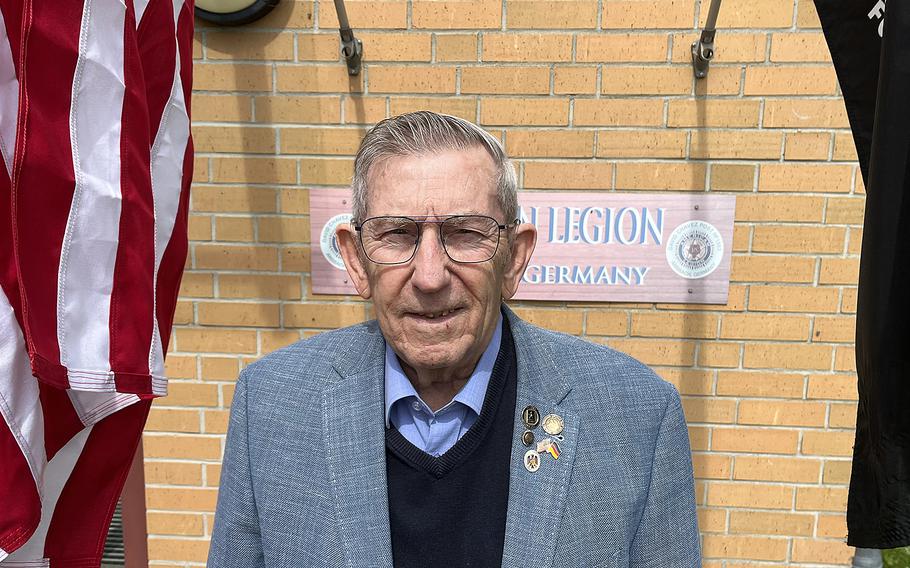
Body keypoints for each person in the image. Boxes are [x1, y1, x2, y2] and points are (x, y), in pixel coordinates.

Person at [208, 111, 700, 567]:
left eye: (465, 233)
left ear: (514, 259)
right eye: (397, 233)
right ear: (356, 261)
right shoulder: (271, 404)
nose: (428, 276)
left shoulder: (637, 417)